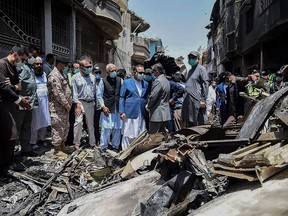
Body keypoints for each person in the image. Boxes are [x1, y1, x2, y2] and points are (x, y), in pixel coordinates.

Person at [0, 45, 31, 171]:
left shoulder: (13, 67)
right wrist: (19, 100)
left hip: (10, 103)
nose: (22, 63)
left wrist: (13, 87)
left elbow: (17, 85)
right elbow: (2, 86)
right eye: (22, 59)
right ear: (15, 55)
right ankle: (5, 164)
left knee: (12, 133)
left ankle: (9, 161)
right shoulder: (1, 65)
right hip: (3, 104)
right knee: (9, 133)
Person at [47, 56, 74, 158]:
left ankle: (62, 145)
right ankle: (57, 150)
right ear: (59, 64)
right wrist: (66, 104)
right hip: (57, 107)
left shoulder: (61, 74)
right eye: (65, 65)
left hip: (64, 108)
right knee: (58, 127)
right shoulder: (54, 75)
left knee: (64, 126)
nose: (66, 67)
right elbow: (58, 93)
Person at [16, 47, 39, 157]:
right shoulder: (19, 66)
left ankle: (26, 149)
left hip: (29, 102)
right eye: (30, 56)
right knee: (18, 127)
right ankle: (15, 152)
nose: (32, 58)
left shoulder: (28, 67)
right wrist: (19, 97)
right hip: (21, 102)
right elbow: (17, 81)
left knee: (26, 126)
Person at [119, 64, 148, 150]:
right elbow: (122, 97)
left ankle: (137, 150)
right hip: (130, 111)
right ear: (134, 72)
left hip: (141, 112)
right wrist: (122, 112)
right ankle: (126, 150)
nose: (142, 74)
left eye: (143, 72)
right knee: (129, 132)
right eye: (140, 72)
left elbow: (144, 97)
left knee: (140, 132)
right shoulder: (127, 82)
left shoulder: (145, 84)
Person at [97, 63, 122, 151]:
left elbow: (122, 95)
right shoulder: (103, 81)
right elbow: (99, 95)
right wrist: (103, 106)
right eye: (112, 71)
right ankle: (103, 147)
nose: (114, 72)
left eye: (115, 70)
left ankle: (115, 146)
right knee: (106, 129)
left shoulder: (120, 80)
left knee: (117, 128)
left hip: (117, 108)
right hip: (107, 108)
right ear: (108, 72)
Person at [72, 58, 96, 148]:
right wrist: (77, 104)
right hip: (80, 102)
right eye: (87, 67)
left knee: (90, 124)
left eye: (90, 66)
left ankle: (92, 143)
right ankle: (76, 143)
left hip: (90, 103)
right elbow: (74, 92)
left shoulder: (92, 77)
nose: (89, 68)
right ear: (81, 67)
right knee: (78, 122)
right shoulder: (75, 77)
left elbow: (94, 91)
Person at [182, 51, 210, 127]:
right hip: (188, 101)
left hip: (197, 101)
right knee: (190, 123)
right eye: (190, 58)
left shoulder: (201, 69)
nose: (191, 59)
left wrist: (203, 100)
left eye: (193, 58)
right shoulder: (190, 71)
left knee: (198, 123)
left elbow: (205, 84)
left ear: (198, 58)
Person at [30, 57, 51, 149]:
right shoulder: (31, 75)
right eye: (37, 64)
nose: (39, 66)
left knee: (45, 121)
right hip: (36, 102)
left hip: (45, 102)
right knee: (35, 122)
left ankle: (41, 140)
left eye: (40, 64)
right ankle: (33, 141)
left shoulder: (44, 74)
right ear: (33, 65)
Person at [147, 63, 171, 135]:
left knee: (153, 137)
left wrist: (148, 106)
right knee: (162, 136)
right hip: (165, 113)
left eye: (153, 72)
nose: (152, 74)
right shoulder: (166, 80)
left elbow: (153, 97)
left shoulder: (158, 81)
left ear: (157, 72)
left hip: (157, 114)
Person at [93, 65, 102, 145]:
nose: (98, 74)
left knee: (101, 125)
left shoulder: (102, 81)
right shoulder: (91, 81)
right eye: (96, 72)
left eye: (99, 72)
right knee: (95, 125)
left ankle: (102, 140)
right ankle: (96, 140)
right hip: (93, 107)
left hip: (101, 108)